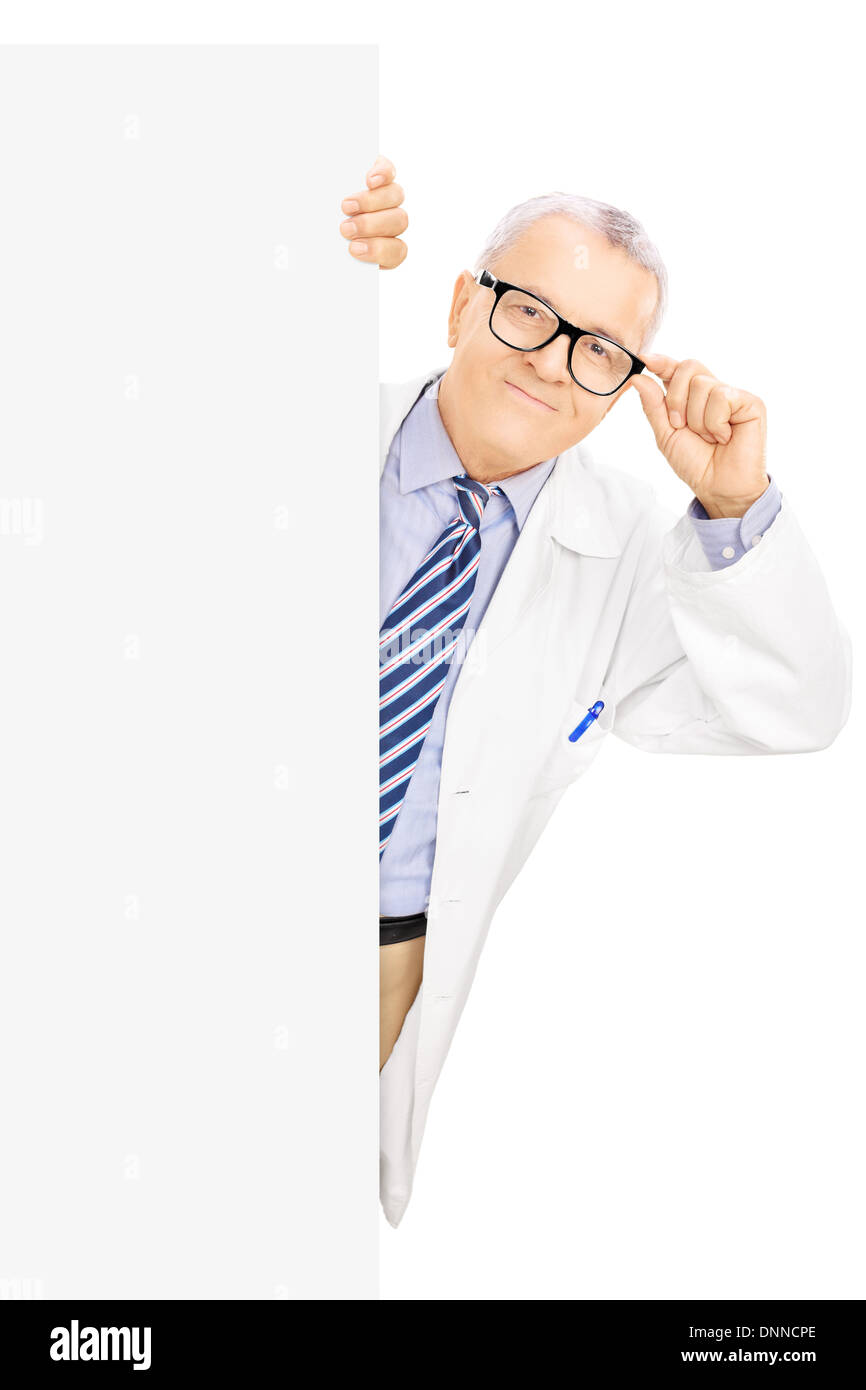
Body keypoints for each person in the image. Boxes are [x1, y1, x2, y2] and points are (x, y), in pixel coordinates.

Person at [340, 157, 852, 1226]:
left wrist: (732, 504)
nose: (554, 364)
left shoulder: (626, 552)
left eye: (600, 350)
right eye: (528, 312)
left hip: (380, 962)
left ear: (628, 382)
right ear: (457, 305)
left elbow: (795, 710)